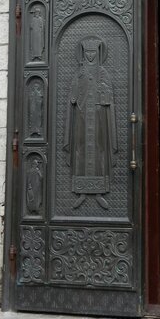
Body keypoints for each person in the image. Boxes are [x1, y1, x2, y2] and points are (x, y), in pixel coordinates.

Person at [63, 37, 117, 209]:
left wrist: (104, 92)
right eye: (88, 52)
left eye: (94, 52)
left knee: (100, 149)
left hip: (99, 118)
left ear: (99, 53)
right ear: (83, 53)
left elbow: (109, 97)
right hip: (82, 117)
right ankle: (81, 192)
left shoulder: (103, 73)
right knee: (80, 149)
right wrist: (76, 93)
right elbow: (72, 98)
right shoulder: (79, 74)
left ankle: (100, 192)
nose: (91, 55)